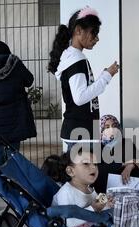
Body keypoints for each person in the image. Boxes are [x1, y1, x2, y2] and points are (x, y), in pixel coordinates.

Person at [48, 7, 119, 148]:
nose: (97, 38)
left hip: (78, 130)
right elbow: (80, 97)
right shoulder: (77, 60)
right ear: (79, 30)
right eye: (94, 32)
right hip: (81, 132)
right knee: (87, 170)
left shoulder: (71, 57)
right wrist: (106, 76)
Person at [0, 40, 36, 166]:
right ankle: (13, 180)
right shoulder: (15, 65)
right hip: (15, 116)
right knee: (13, 150)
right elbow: (29, 80)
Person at [92, 114, 139, 193]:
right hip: (105, 189)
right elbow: (98, 169)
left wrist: (130, 166)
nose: (112, 129)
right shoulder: (97, 146)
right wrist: (124, 164)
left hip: (129, 188)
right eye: (107, 127)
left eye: (114, 126)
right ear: (101, 130)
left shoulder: (126, 142)